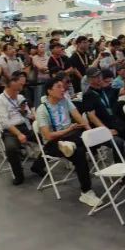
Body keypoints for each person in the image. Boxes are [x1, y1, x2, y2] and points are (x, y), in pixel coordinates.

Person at [34, 76, 100, 207]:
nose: (63, 89)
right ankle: (86, 192)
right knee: (79, 153)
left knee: (91, 139)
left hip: (71, 136)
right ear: (49, 91)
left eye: (62, 86)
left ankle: (72, 145)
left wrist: (89, 130)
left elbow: (77, 116)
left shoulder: (64, 100)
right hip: (54, 143)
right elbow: (48, 136)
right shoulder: (42, 109)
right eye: (58, 87)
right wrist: (68, 130)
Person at [81, 67, 125, 164]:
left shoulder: (106, 89)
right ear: (89, 80)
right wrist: (105, 130)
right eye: (95, 77)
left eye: (99, 75)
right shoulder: (88, 95)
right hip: (101, 129)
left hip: (115, 124)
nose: (99, 78)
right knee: (118, 142)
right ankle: (121, 169)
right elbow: (92, 117)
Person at [0, 73, 36, 185]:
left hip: (24, 126)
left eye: (19, 89)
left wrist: (27, 112)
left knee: (46, 138)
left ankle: (38, 166)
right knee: (11, 148)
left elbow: (28, 115)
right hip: (10, 130)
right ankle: (18, 175)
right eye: (16, 89)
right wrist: (19, 134)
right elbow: (5, 122)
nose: (18, 91)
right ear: (9, 86)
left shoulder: (20, 97)